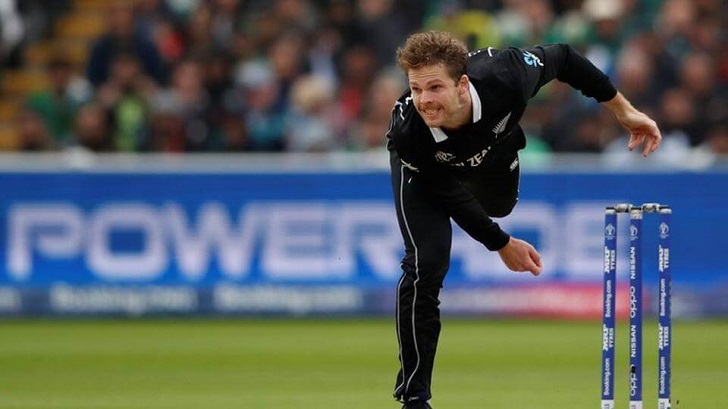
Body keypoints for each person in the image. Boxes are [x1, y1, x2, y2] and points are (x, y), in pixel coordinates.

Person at [385, 30, 662, 409]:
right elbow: (446, 194)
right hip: (425, 170)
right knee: (426, 264)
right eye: (416, 89)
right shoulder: (409, 130)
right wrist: (501, 243)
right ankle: (415, 397)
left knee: (499, 206)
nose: (425, 100)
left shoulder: (505, 76)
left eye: (435, 87)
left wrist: (621, 109)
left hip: (494, 148)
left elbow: (564, 57)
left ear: (462, 84)